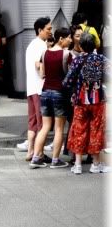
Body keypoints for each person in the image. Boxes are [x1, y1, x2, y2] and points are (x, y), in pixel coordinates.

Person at [63, 33, 109, 174]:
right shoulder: (101, 59)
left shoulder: (77, 60)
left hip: (81, 101)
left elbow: (67, 82)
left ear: (81, 46)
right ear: (94, 45)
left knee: (79, 129)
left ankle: (77, 165)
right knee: (96, 130)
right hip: (98, 100)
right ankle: (95, 164)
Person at [29, 27, 72, 169]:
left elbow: (42, 74)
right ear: (61, 38)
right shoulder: (66, 54)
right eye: (68, 37)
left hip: (45, 92)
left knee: (45, 127)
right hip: (59, 92)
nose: (70, 40)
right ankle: (55, 160)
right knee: (59, 128)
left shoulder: (45, 53)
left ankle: (36, 158)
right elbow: (69, 75)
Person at [23, 16, 52, 161]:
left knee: (32, 121)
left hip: (31, 88)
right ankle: (38, 153)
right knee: (42, 123)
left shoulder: (31, 45)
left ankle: (30, 151)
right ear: (40, 30)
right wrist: (45, 73)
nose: (50, 31)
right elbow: (38, 65)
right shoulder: (41, 45)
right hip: (40, 88)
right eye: (48, 29)